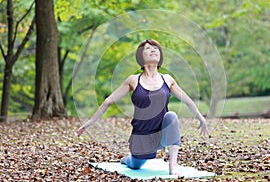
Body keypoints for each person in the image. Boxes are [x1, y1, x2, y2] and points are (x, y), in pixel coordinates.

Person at [76, 39, 208, 175]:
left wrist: (200, 118)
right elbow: (108, 101)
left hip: (160, 135)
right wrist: (89, 123)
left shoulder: (167, 79)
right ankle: (126, 159)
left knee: (171, 116)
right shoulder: (133, 80)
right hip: (141, 138)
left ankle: (173, 166)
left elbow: (187, 101)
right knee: (134, 165)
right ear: (141, 56)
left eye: (156, 48)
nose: (153, 50)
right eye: (148, 48)